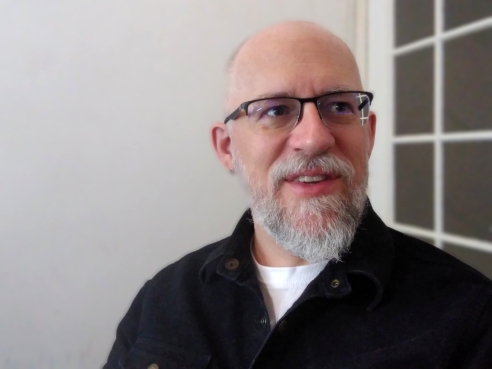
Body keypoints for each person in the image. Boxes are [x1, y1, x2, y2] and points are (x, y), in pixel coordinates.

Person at [103, 21, 492, 369]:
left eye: (339, 106)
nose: (314, 138)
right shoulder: (163, 302)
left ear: (368, 134)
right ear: (226, 149)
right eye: (274, 111)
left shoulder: (469, 317)